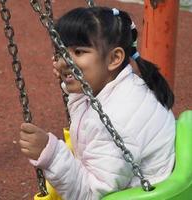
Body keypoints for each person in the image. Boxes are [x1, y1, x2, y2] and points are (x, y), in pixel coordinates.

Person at [18, 6, 175, 200]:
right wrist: (72, 85)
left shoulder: (115, 121)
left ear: (114, 58)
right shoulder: (123, 86)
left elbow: (90, 195)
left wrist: (50, 154)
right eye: (60, 53)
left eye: (78, 52)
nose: (63, 62)